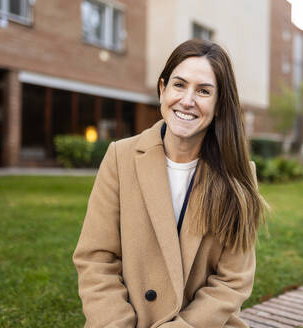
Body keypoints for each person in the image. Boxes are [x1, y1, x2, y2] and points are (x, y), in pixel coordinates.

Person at [73, 39, 267, 328]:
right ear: (163, 90)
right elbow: (97, 259)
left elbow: (232, 281)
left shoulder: (238, 174)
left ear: (218, 105)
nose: (187, 100)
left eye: (203, 91)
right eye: (179, 85)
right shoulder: (120, 157)